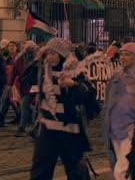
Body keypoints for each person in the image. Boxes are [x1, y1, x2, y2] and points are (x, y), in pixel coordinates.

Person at [27, 38, 93, 179]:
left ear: (62, 55)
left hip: (70, 130)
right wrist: (37, 58)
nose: (50, 57)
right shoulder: (43, 71)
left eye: (54, 54)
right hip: (47, 130)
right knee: (40, 170)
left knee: (75, 170)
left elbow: (89, 95)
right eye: (48, 53)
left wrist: (73, 85)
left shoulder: (76, 72)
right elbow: (26, 77)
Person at [103, 42, 135, 179]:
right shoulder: (116, 77)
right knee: (124, 168)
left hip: (132, 130)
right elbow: (107, 102)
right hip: (115, 129)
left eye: (127, 55)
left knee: (121, 171)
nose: (123, 58)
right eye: (121, 54)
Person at [12, 41, 39, 137]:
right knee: (28, 106)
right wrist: (10, 83)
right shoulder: (19, 59)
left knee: (25, 105)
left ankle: (22, 127)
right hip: (24, 86)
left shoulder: (37, 59)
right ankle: (34, 126)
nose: (27, 50)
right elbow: (15, 70)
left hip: (34, 86)